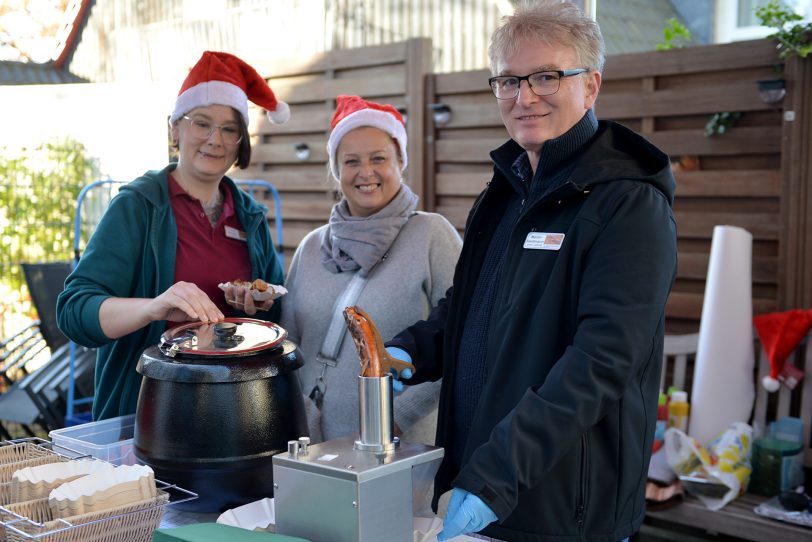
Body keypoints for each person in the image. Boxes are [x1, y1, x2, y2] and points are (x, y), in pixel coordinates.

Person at [385, 2, 678, 541]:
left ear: (590, 87)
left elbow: (603, 360)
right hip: (483, 479)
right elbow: (474, 306)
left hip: (565, 506)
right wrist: (412, 350)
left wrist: (496, 477)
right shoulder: (505, 192)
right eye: (509, 80)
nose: (525, 97)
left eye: (546, 76)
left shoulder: (627, 203)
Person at [57, 51, 290, 421]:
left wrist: (257, 304)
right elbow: (73, 312)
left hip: (237, 413)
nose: (215, 139)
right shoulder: (139, 207)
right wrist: (153, 307)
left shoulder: (250, 216)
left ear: (240, 141)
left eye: (229, 128)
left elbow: (276, 311)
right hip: (148, 414)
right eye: (202, 123)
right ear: (174, 128)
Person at [280, 95, 462, 444]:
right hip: (313, 439)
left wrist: (396, 420)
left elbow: (464, 338)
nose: (366, 172)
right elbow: (291, 342)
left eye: (379, 158)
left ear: (400, 163)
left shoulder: (431, 235)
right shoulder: (312, 246)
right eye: (351, 161)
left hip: (401, 444)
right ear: (337, 171)